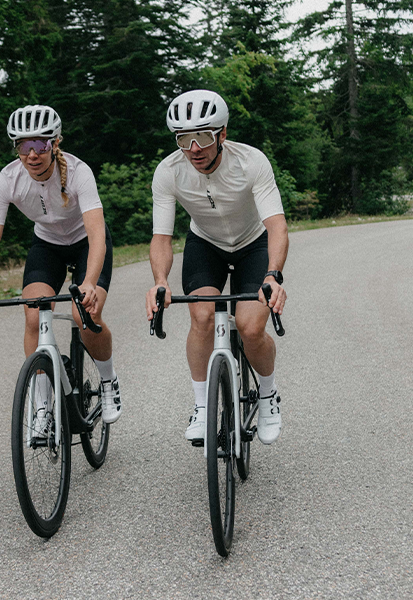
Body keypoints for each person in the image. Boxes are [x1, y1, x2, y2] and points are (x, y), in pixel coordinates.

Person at [143, 90, 288, 445]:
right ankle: (201, 405)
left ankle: (268, 394)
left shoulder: (251, 162)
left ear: (222, 134)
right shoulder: (168, 172)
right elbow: (161, 238)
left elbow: (276, 227)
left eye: (203, 137)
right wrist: (160, 281)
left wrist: (273, 274)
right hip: (205, 244)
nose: (194, 148)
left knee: (250, 327)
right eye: (184, 139)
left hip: (253, 244)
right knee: (202, 317)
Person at [0, 105, 121, 438]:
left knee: (85, 314)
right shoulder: (7, 180)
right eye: (23, 146)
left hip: (87, 243)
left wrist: (89, 282)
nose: (32, 154)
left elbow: (97, 234)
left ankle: (108, 379)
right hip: (47, 245)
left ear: (55, 143)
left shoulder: (79, 172)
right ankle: (42, 407)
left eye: (39, 144)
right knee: (33, 315)